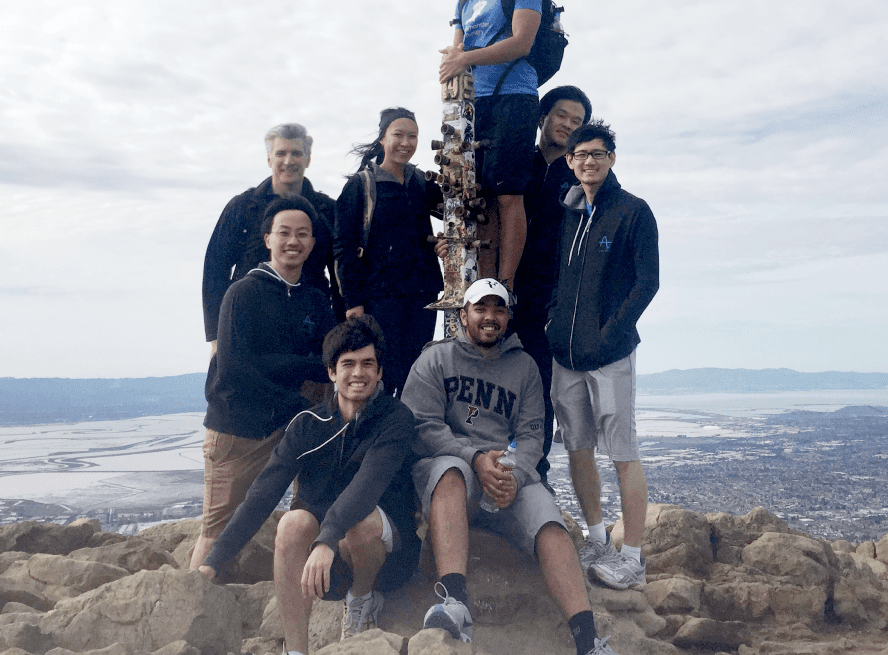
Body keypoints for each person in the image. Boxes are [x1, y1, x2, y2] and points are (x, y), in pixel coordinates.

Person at [401, 279, 619, 655]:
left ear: (507, 317)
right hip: (455, 470)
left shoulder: (524, 367)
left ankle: (588, 641)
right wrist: (475, 458)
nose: (490, 317)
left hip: (505, 475)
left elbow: (532, 435)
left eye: (498, 309)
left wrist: (513, 475)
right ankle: (454, 602)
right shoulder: (434, 360)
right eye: (481, 309)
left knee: (549, 523)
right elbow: (423, 425)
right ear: (463, 315)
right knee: (451, 472)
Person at [197, 315, 421, 654]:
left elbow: (366, 487)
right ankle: (295, 650)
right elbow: (262, 495)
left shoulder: (396, 419)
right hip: (326, 561)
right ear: (331, 372)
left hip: (387, 560)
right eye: (348, 364)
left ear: (379, 372)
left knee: (360, 524)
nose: (358, 373)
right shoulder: (308, 425)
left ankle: (361, 602)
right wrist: (214, 560)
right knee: (292, 523)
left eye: (367, 364)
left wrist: (327, 540)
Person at [189, 196, 333, 571]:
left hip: (294, 425)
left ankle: (298, 593)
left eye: (303, 234)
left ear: (312, 243)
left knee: (308, 516)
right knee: (218, 529)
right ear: (267, 239)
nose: (293, 241)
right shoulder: (242, 293)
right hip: (239, 430)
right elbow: (235, 370)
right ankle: (194, 597)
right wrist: (298, 384)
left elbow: (330, 362)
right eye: (284, 233)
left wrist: (276, 365)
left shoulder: (316, 301)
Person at [546, 121, 660, 590]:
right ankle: (597, 539)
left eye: (598, 153)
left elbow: (647, 283)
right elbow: (558, 278)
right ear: (570, 161)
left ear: (612, 158)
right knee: (578, 449)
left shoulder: (633, 211)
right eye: (581, 154)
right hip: (566, 355)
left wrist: (612, 334)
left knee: (623, 453)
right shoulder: (569, 213)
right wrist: (553, 322)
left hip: (610, 355)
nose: (589, 161)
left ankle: (632, 557)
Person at [438, 0, 542, 297]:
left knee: (508, 193)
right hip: (470, 105)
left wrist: (464, 58)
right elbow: (457, 51)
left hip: (515, 97)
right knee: (477, 194)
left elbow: (522, 43)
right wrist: (455, 61)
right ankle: (483, 284)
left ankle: (506, 284)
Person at [202, 123, 342, 355]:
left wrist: (340, 334)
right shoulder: (243, 207)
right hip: (249, 322)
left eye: (296, 153)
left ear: (308, 159)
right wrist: (217, 338)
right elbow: (215, 270)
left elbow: (340, 274)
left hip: (311, 326)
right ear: (269, 159)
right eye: (281, 153)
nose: (288, 161)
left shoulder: (327, 210)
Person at [333, 108, 444, 398]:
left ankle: (408, 423)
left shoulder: (421, 182)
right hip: (379, 298)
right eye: (398, 135)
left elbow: (453, 215)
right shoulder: (361, 186)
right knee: (381, 374)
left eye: (413, 136)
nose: (406, 143)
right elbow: (343, 248)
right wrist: (353, 303)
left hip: (422, 295)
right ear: (382, 138)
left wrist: (444, 244)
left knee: (416, 373)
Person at [512, 85, 592, 482]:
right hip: (502, 291)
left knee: (540, 387)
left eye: (577, 121)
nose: (568, 125)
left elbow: (599, 238)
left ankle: (534, 473)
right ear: (543, 117)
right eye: (562, 115)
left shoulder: (581, 175)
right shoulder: (516, 161)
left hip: (551, 300)